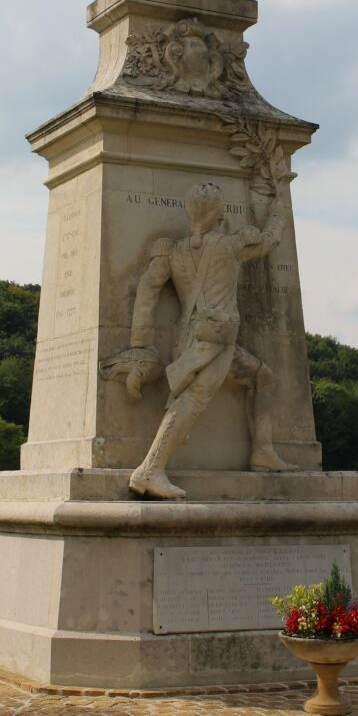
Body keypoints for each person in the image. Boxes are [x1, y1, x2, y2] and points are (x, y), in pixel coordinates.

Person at [128, 182, 295, 498]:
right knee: (192, 399)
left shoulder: (173, 251)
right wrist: (278, 211)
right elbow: (272, 241)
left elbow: (147, 290)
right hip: (215, 339)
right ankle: (149, 469)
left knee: (263, 376)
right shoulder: (230, 246)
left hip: (194, 336)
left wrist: (140, 341)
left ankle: (262, 452)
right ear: (218, 214)